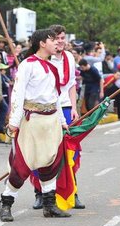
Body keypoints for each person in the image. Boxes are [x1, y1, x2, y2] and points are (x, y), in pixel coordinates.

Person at [0, 28, 71, 221]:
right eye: (52, 40)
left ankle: (50, 205)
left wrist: (62, 122)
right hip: (32, 120)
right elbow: (18, 94)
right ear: (42, 43)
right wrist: (14, 122)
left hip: (52, 120)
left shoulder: (53, 67)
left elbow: (56, 97)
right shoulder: (27, 65)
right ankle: (6, 202)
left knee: (51, 162)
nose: (57, 43)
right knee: (22, 165)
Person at [31, 25, 84, 210]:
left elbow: (71, 84)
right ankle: (40, 193)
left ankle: (72, 192)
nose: (60, 41)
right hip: (46, 110)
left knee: (70, 151)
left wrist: (74, 107)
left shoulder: (69, 57)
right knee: (43, 152)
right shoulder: (43, 58)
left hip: (66, 108)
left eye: (62, 37)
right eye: (56, 38)